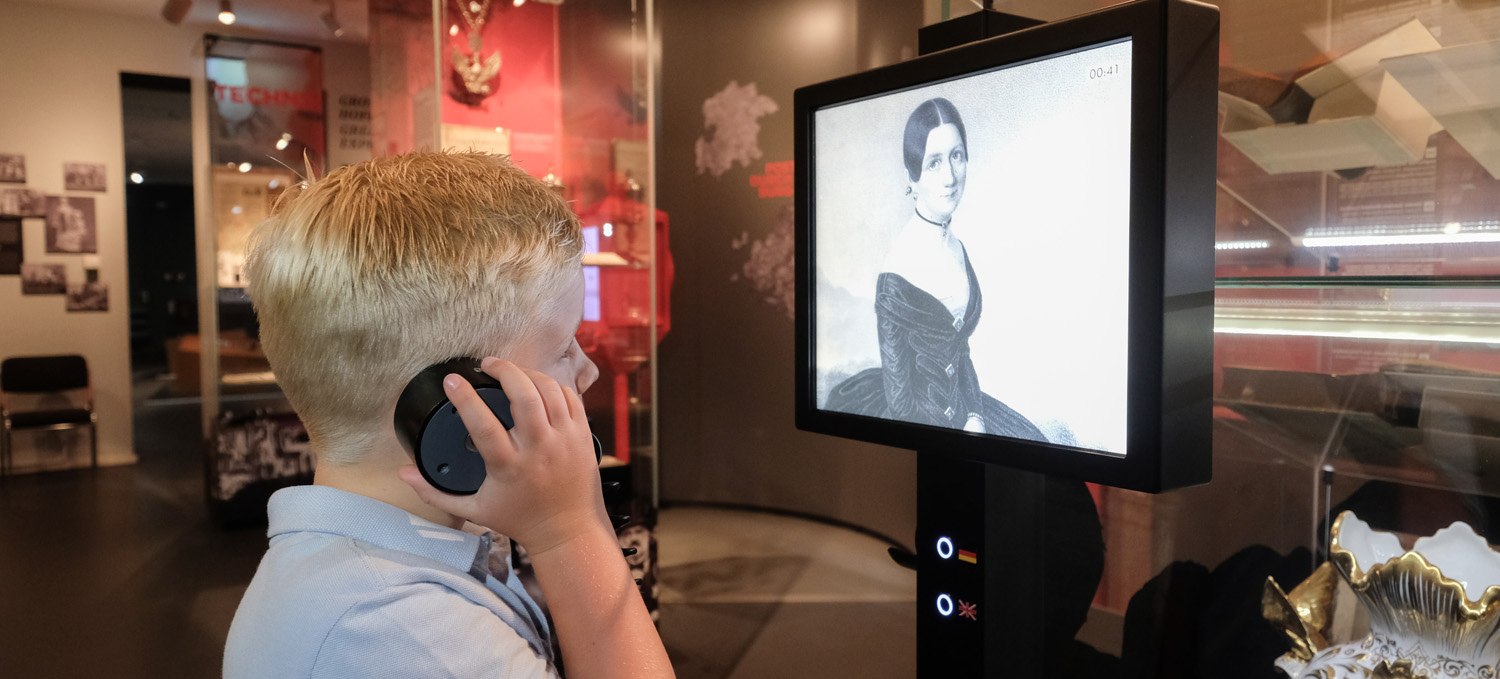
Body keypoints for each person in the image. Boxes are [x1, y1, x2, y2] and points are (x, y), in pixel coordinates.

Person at [223, 151, 675, 679]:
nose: (589, 370)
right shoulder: (403, 633)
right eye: (564, 346)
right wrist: (571, 532)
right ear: (456, 404)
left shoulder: (365, 576)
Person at [827, 97, 1045, 441]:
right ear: (911, 177)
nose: (950, 176)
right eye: (934, 163)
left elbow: (960, 352)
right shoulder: (896, 274)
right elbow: (901, 407)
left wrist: (973, 414)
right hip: (916, 421)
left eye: (956, 156)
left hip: (964, 406)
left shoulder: (958, 249)